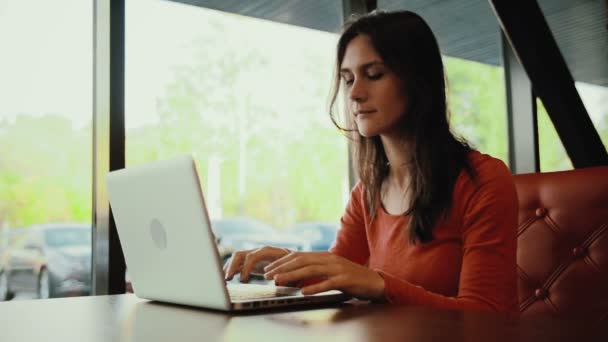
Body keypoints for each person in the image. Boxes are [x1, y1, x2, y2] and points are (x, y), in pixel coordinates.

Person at [224, 10, 518, 313]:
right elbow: (338, 275)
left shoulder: (483, 180)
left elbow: (487, 316)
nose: (355, 93)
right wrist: (282, 265)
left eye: (374, 74)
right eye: (348, 79)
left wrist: (379, 284)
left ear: (418, 81)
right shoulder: (367, 192)